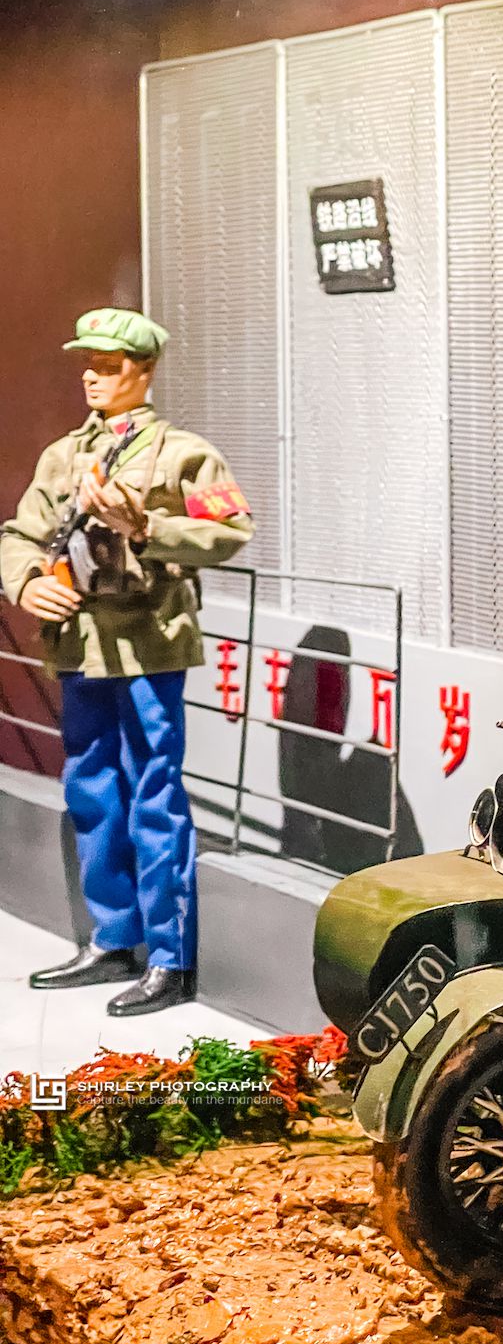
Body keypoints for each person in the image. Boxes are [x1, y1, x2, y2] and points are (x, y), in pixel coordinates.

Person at [1, 309, 254, 1015]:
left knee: (153, 793)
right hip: (80, 644)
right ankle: (113, 939)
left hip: (147, 644)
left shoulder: (183, 455)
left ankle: (170, 959)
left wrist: (146, 526)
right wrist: (26, 582)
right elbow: (19, 533)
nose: (93, 376)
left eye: (109, 366)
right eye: (88, 364)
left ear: (144, 372)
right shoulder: (63, 456)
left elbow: (231, 529)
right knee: (92, 790)